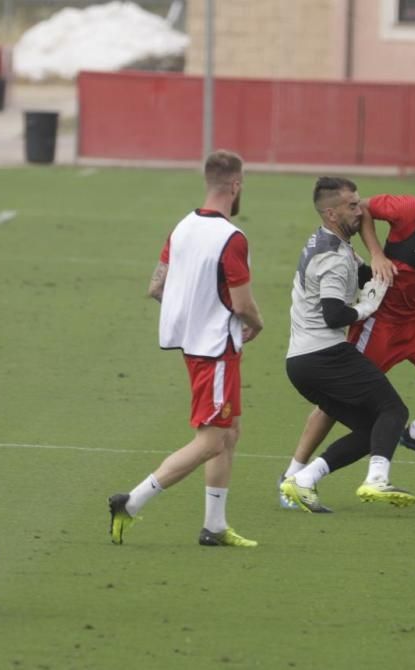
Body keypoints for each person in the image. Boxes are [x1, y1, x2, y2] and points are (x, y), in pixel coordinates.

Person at [279, 171, 415, 509]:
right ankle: (292, 474)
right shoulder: (412, 209)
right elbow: (363, 208)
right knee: (340, 401)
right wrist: (377, 254)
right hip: (379, 320)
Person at [108, 149, 265, 547]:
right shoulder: (231, 238)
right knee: (212, 440)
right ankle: (131, 502)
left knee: (229, 432)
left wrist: (192, 314)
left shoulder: (181, 228)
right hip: (215, 350)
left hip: (196, 347)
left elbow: (157, 287)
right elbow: (244, 305)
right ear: (235, 185)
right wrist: (257, 325)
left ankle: (214, 526)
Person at [279, 176, 415, 513]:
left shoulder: (328, 242)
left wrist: (392, 270)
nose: (361, 212)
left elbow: (363, 275)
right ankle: (376, 480)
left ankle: (303, 480)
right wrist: (365, 308)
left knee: (373, 429)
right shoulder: (334, 257)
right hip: (324, 355)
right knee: (394, 411)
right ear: (330, 213)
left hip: (301, 361)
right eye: (352, 206)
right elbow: (333, 314)